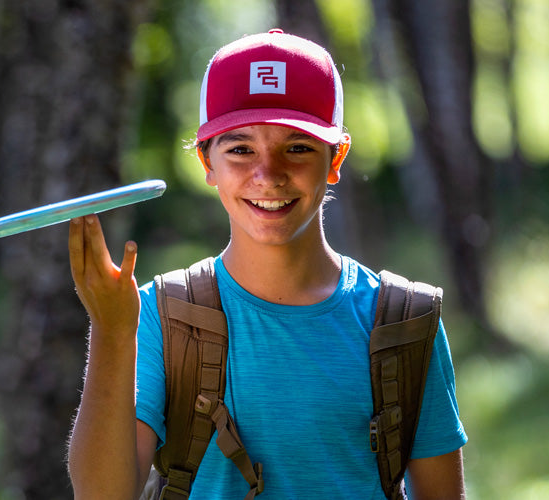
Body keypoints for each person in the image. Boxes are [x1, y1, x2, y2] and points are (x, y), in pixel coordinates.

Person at [66, 29, 467, 499]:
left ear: (336, 158)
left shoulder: (404, 321)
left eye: (297, 148)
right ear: (206, 161)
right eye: (240, 149)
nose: (268, 174)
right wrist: (113, 334)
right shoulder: (159, 316)